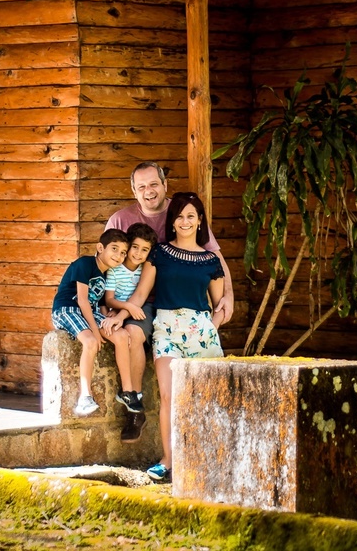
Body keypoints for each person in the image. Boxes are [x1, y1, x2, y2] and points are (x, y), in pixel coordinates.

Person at [132, 192, 224, 482]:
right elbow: (141, 295)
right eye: (180, 216)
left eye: (191, 216)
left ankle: (208, 456)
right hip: (167, 329)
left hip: (201, 331)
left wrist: (211, 327)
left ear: (199, 222)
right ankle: (168, 460)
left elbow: (219, 303)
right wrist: (119, 315)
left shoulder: (210, 260)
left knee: (209, 398)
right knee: (169, 396)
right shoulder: (159, 253)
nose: (185, 221)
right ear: (172, 221)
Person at [105, 162, 234, 327]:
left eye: (153, 184)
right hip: (134, 300)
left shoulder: (184, 213)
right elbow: (102, 264)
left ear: (165, 185)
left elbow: (215, 258)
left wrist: (228, 296)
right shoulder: (119, 220)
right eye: (141, 187)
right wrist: (109, 306)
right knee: (132, 334)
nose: (149, 191)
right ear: (134, 192)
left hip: (179, 301)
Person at [50, 228, 143, 417]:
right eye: (114, 249)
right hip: (68, 308)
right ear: (100, 248)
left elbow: (99, 304)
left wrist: (108, 317)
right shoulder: (85, 264)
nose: (119, 255)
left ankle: (127, 391)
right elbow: (82, 300)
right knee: (91, 342)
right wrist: (95, 330)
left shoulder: (106, 274)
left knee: (122, 335)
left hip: (88, 312)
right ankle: (85, 396)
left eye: (123, 252)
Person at [101, 221, 157, 442]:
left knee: (134, 334)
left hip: (140, 308)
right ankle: (133, 402)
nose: (138, 253)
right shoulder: (115, 269)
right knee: (125, 336)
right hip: (120, 307)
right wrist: (111, 313)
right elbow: (107, 297)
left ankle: (135, 404)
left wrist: (125, 311)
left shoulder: (147, 268)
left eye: (144, 250)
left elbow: (140, 297)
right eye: (135, 247)